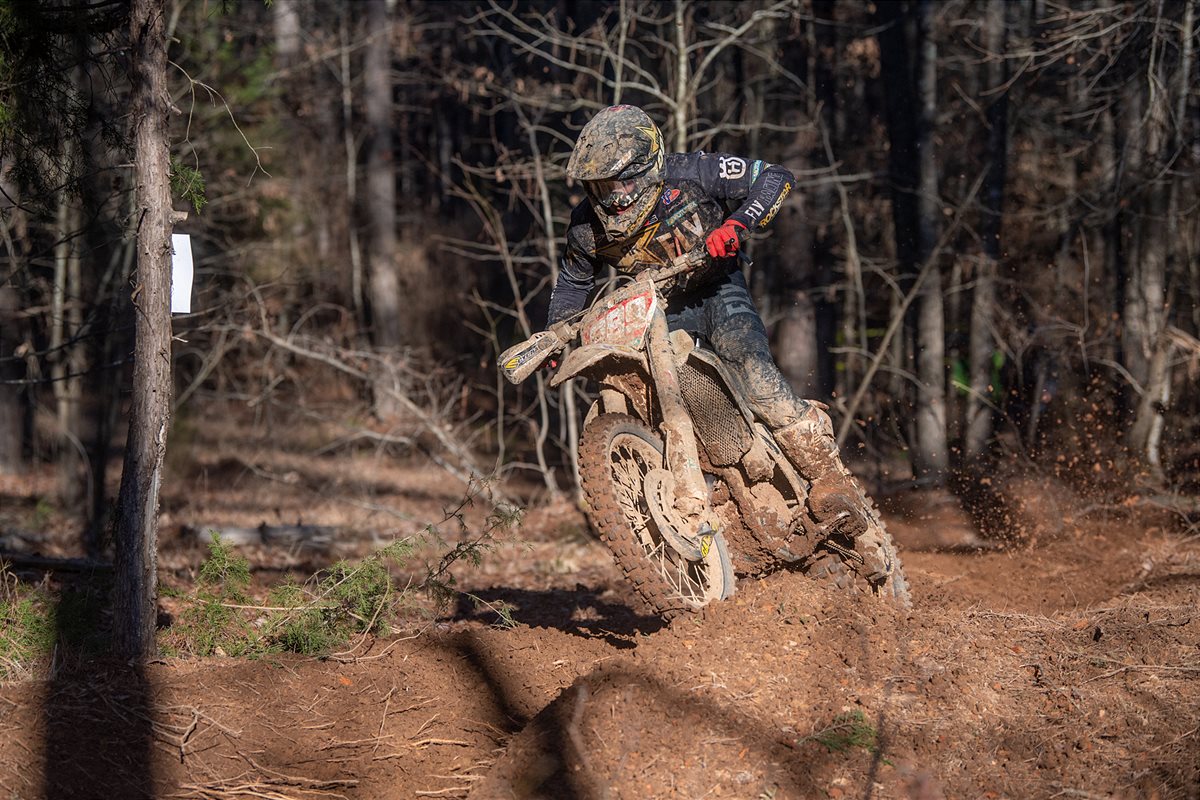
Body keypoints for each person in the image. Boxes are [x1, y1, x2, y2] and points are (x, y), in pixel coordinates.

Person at [546, 104, 865, 534]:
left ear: (648, 167)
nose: (613, 197)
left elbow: (775, 177)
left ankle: (830, 479)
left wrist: (736, 224)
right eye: (600, 187)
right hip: (659, 310)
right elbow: (571, 284)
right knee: (657, 396)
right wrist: (554, 335)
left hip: (717, 288)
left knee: (754, 373)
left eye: (620, 183)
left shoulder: (693, 173)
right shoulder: (586, 227)